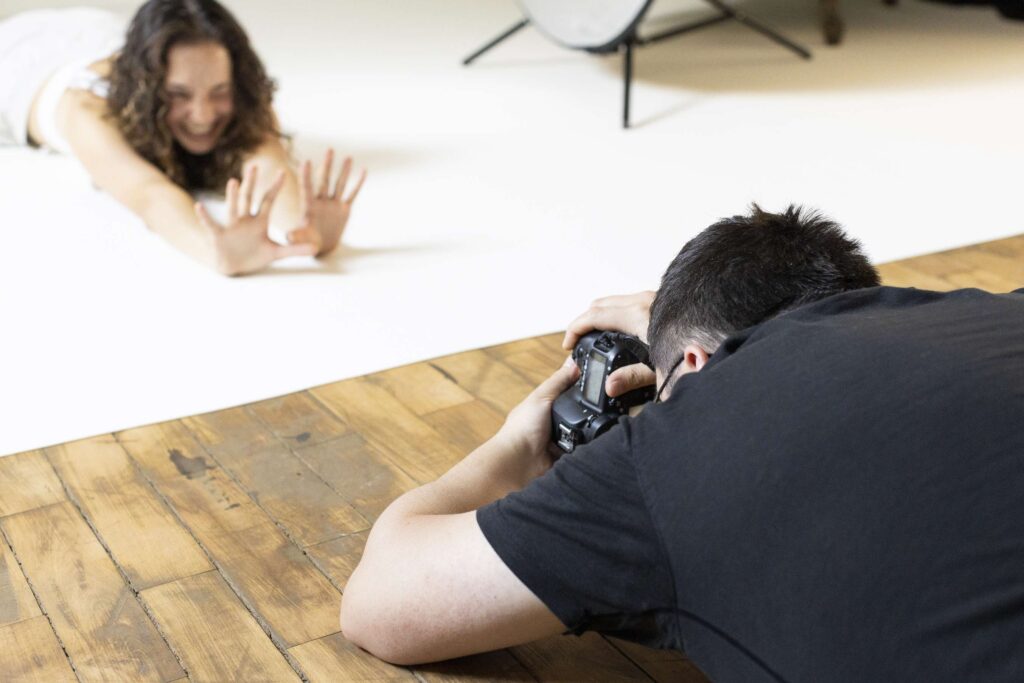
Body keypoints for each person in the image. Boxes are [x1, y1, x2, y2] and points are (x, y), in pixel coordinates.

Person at [340, 205, 1024, 681]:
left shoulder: (688, 444)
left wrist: (514, 446)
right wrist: (675, 326)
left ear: (693, 367)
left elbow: (381, 604)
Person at [0, 0, 365, 275]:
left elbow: (267, 162)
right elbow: (147, 193)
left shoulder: (236, 89)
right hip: (17, 53)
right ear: (149, 90)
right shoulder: (85, 107)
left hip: (96, 29)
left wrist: (306, 232)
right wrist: (216, 252)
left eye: (218, 91)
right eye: (178, 95)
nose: (204, 115)